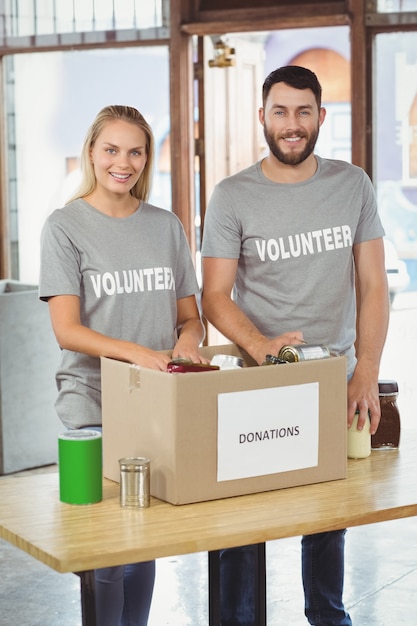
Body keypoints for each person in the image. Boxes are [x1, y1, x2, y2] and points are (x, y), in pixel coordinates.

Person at [201, 66, 389, 626]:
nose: (292, 124)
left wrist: (366, 371)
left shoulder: (352, 184)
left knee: (329, 515)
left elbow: (375, 285)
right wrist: (261, 348)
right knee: (241, 519)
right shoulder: (232, 195)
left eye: (303, 111)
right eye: (280, 111)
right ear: (262, 117)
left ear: (320, 118)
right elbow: (214, 295)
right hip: (256, 382)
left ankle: (327, 617)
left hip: (335, 377)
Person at [39, 105, 206, 626]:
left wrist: (187, 343)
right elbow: (67, 329)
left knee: (143, 542)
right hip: (91, 408)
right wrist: (140, 353)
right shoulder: (65, 227)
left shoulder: (166, 226)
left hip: (155, 407)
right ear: (91, 152)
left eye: (135, 151)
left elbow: (191, 318)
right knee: (107, 551)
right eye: (111, 149)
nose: (123, 162)